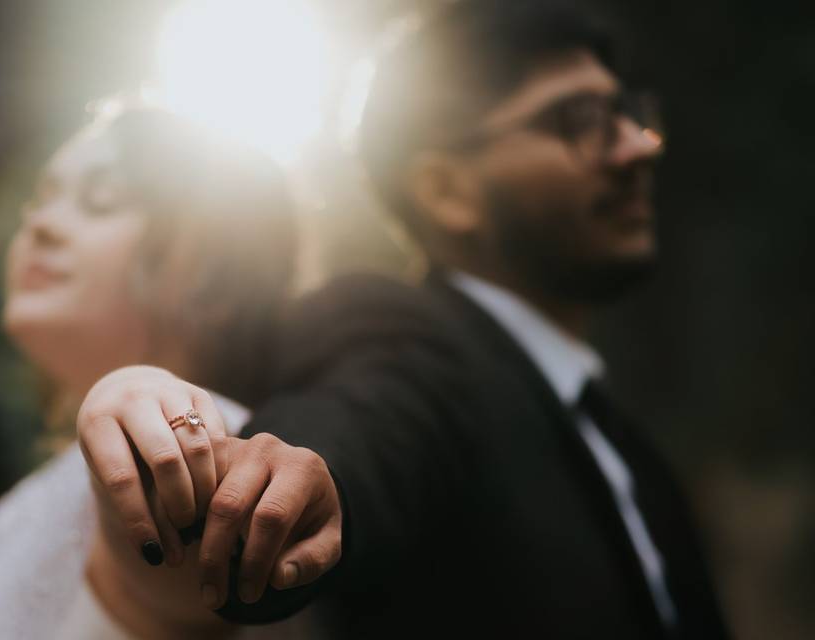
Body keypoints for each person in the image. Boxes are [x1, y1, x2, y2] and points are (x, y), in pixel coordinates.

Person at [80, 1, 731, 638]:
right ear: (447, 191)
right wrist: (304, 489)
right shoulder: (404, 337)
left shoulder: (634, 451)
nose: (635, 149)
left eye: (626, 114)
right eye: (580, 121)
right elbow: (358, 428)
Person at [0, 103, 341, 639]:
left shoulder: (215, 452)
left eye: (101, 202)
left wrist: (134, 390)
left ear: (213, 274)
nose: (40, 226)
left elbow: (190, 567)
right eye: (40, 200)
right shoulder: (50, 482)